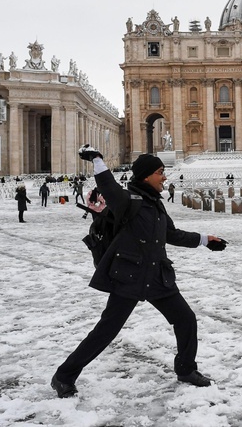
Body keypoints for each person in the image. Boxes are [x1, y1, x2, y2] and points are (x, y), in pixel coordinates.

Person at [51, 149, 227, 399]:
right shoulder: (128, 199)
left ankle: (186, 370)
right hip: (130, 277)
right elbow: (109, 187)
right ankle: (63, 376)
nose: (164, 178)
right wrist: (98, 160)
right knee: (106, 331)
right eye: (160, 173)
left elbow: (171, 234)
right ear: (145, 176)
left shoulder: (155, 204)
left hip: (157, 276)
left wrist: (204, 240)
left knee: (186, 319)